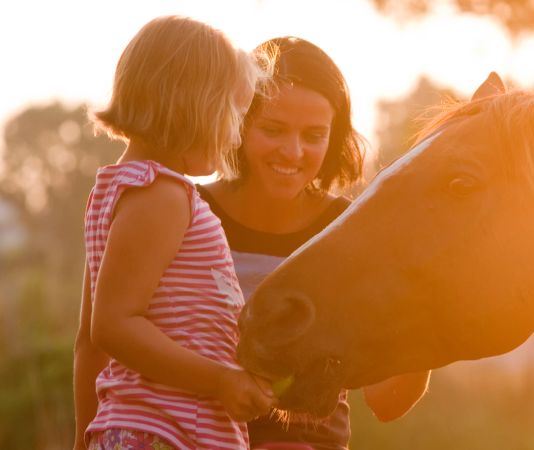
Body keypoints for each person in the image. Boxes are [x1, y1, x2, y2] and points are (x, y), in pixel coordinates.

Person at [198, 36, 430, 450]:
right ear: (239, 123)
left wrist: (428, 306)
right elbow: (110, 339)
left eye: (314, 136)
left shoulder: (351, 227)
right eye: (273, 129)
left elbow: (385, 400)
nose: (293, 151)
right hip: (196, 436)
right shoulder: (189, 213)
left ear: (335, 136)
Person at [72, 15, 274, 450]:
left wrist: (83, 435)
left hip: (141, 430)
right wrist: (221, 380)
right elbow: (112, 325)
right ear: (196, 105)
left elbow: (88, 342)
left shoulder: (120, 190)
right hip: (166, 430)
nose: (236, 135)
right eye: (236, 112)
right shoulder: (162, 194)